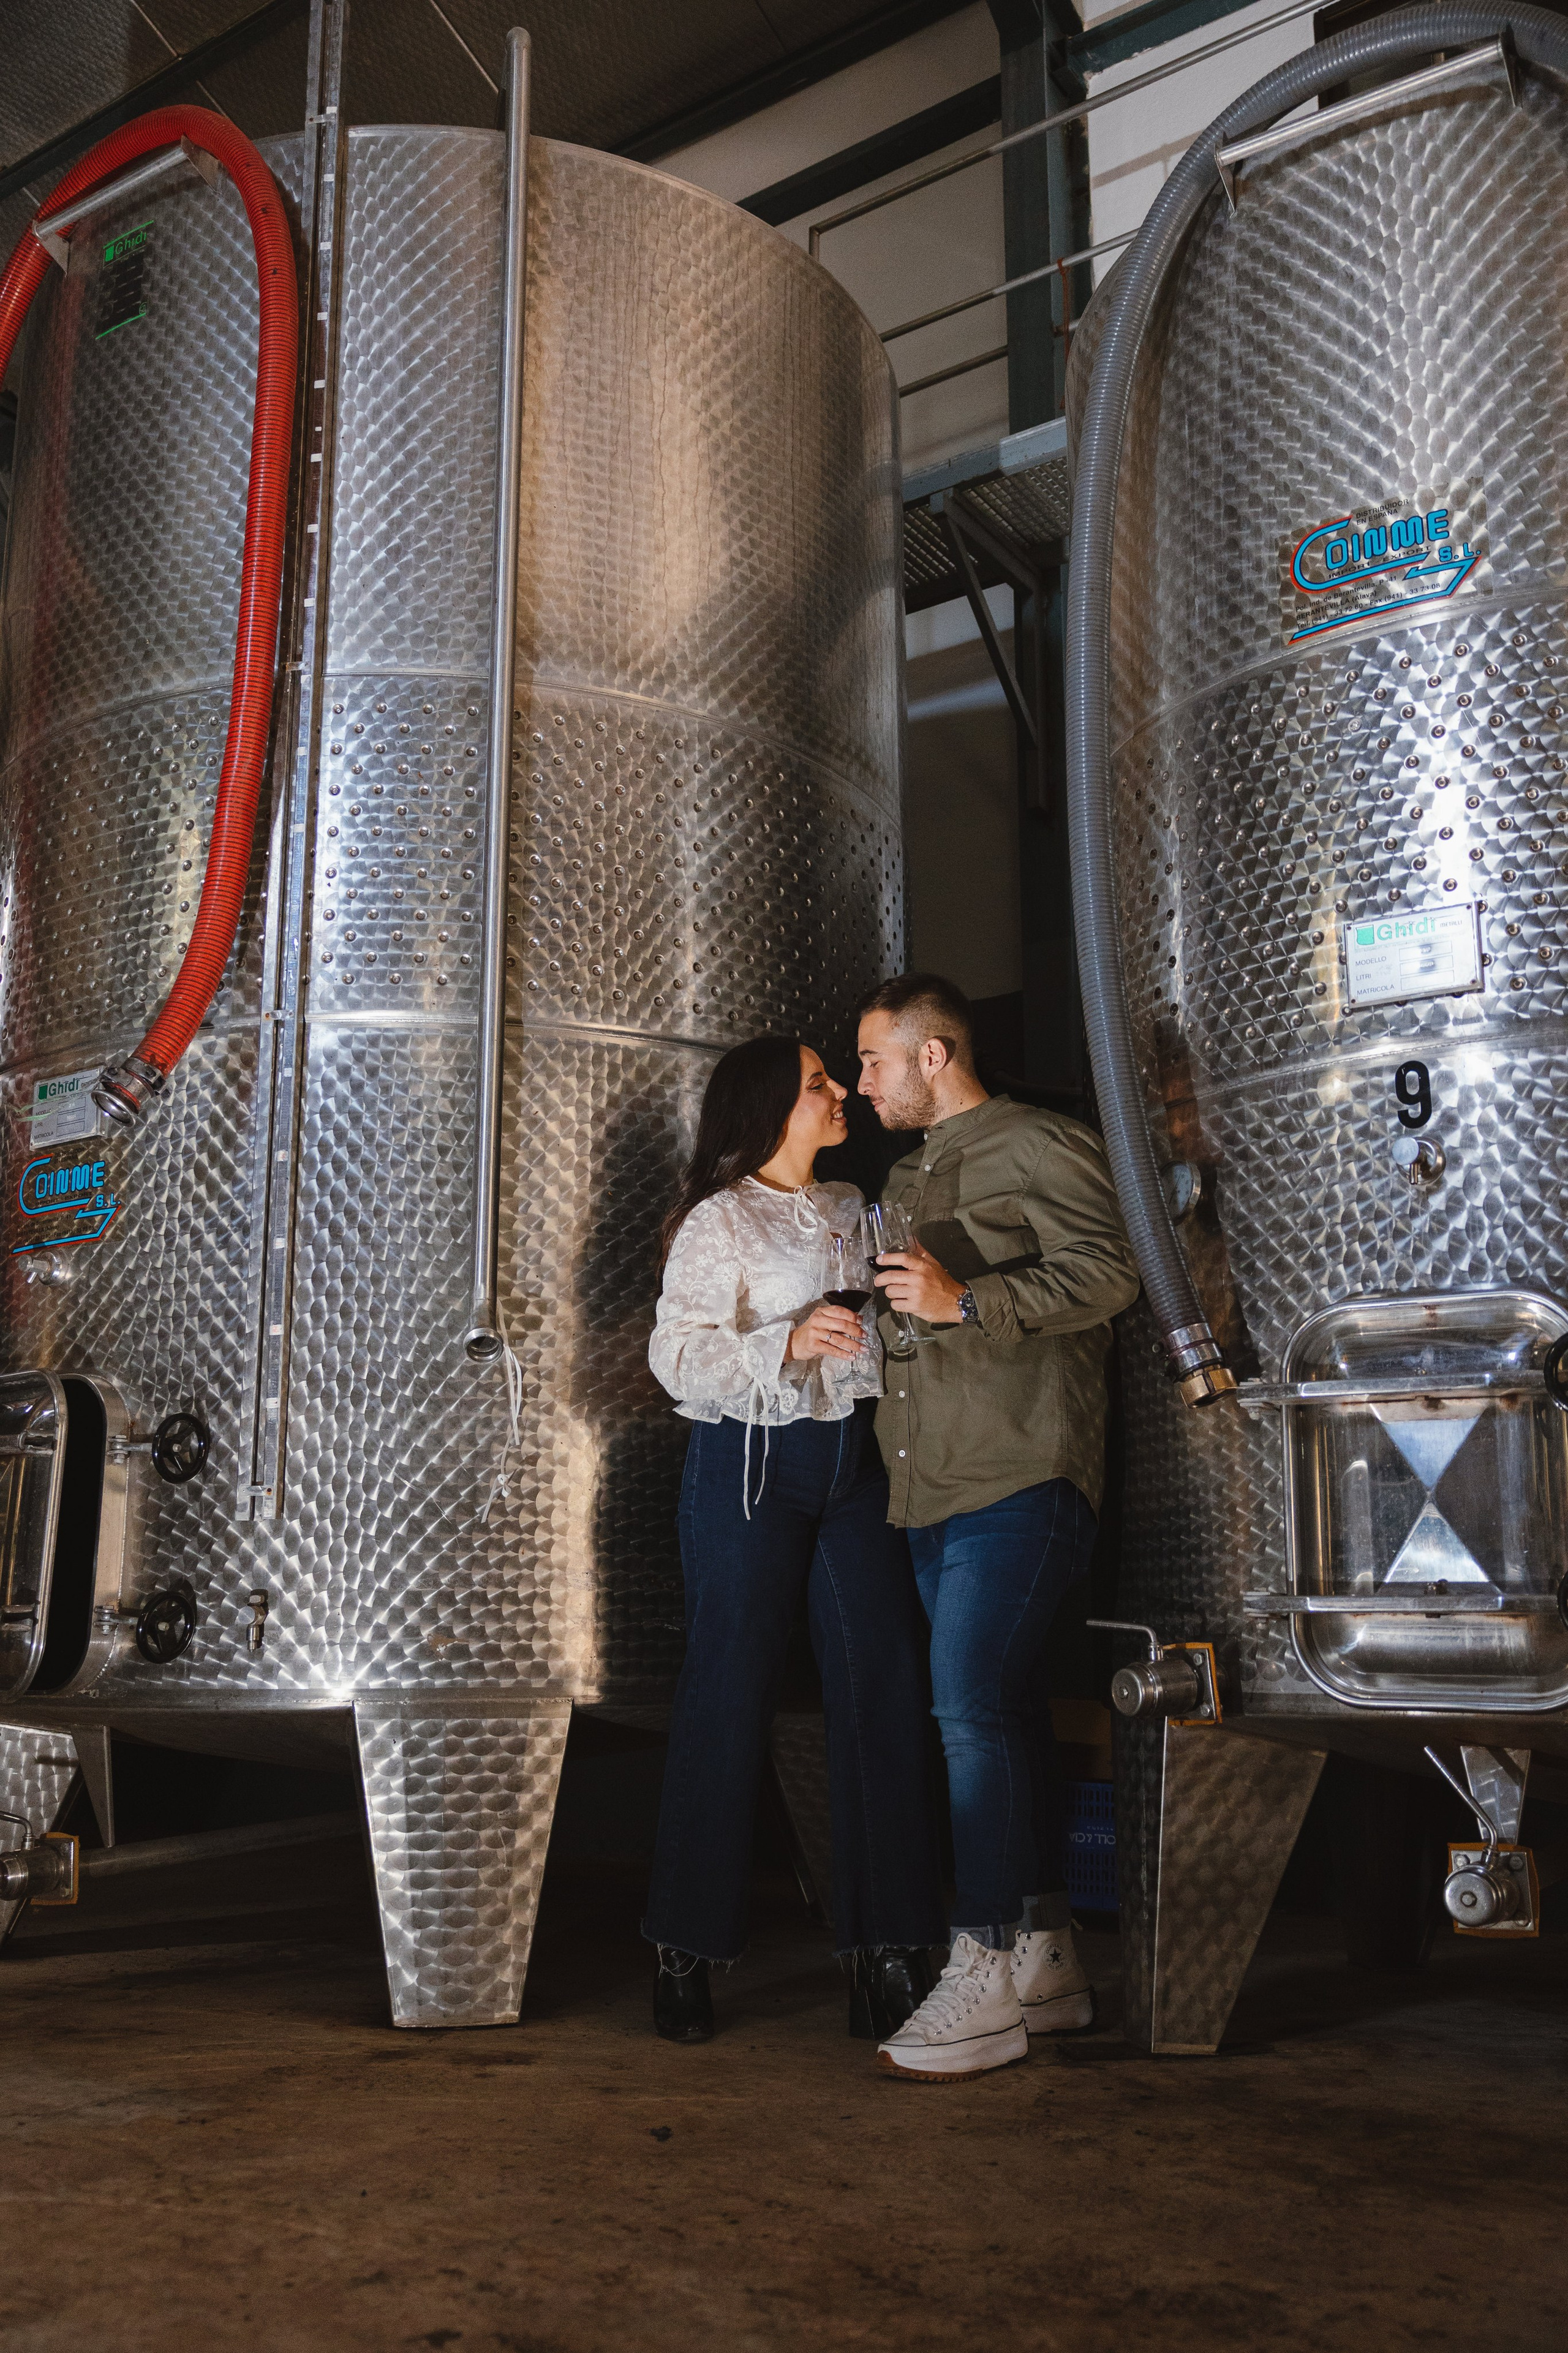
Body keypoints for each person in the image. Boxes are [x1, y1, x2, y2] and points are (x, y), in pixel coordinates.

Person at [856, 973, 1140, 2081]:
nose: (865, 1080)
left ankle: (983, 1964)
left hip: (1023, 1472)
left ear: (936, 1056)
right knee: (1004, 1712)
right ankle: (1052, 1962)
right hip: (928, 1486)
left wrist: (966, 1302)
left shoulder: (1040, 1144)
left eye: (877, 1059)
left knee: (969, 1705)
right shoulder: (903, 1174)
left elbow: (1114, 1272)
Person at [644, 1033, 946, 2045]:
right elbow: (676, 1356)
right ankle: (683, 1945)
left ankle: (886, 1952)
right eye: (820, 1084)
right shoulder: (719, 1220)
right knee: (729, 1690)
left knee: (884, 1684)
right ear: (770, 1105)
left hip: (853, 1466)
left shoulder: (857, 1209)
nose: (837, 1096)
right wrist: (785, 1337)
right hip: (746, 1463)